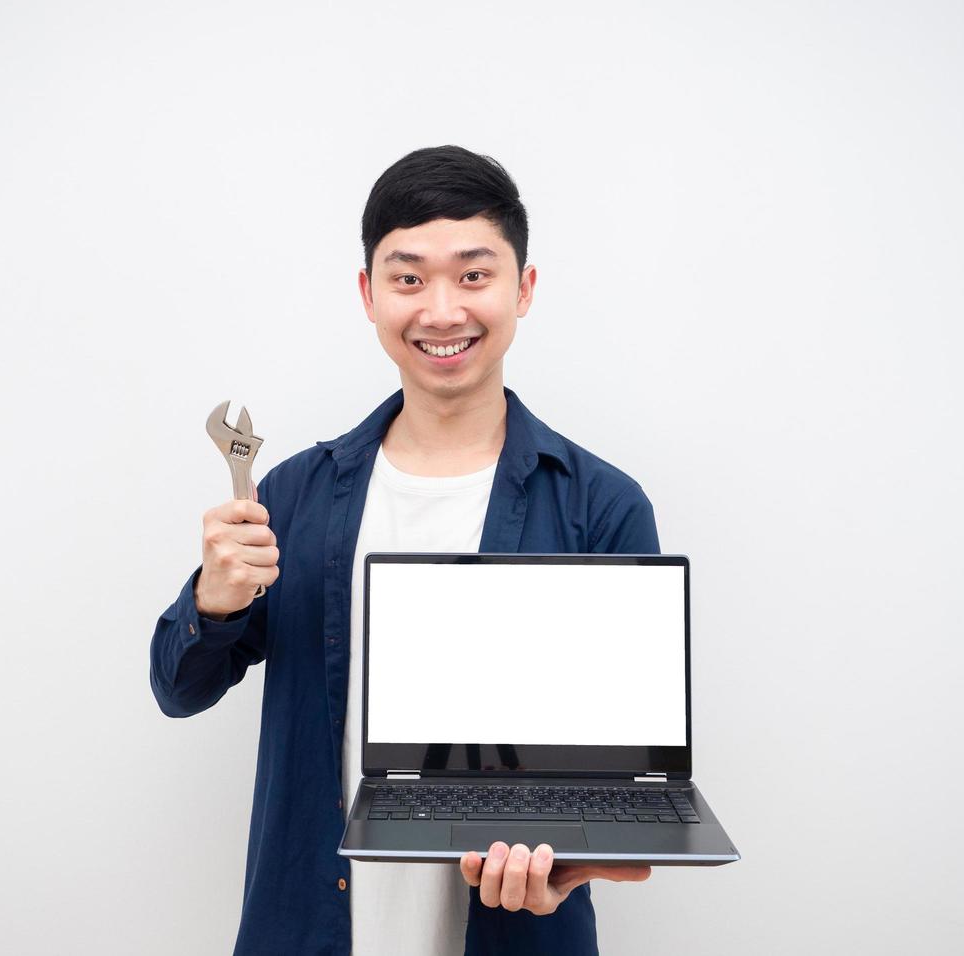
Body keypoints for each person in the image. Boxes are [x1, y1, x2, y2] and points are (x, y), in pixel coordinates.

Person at [150, 145, 659, 955]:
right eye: (408, 277)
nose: (441, 310)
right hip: (311, 928)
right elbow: (178, 690)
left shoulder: (600, 505)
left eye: (473, 274)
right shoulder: (290, 495)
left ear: (523, 289)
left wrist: (567, 863)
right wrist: (213, 598)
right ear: (369, 294)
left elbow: (619, 785)